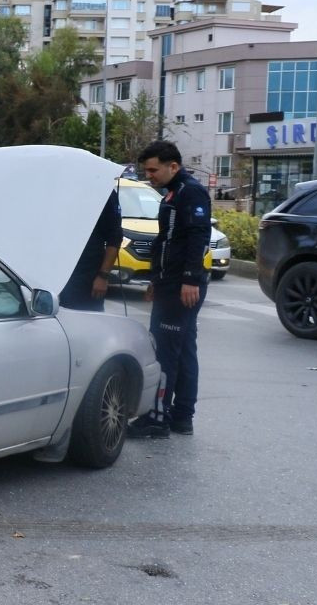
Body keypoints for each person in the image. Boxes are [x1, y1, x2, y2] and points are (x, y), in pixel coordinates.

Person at [127, 141, 211, 439]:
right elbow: (165, 241)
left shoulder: (191, 192)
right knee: (184, 349)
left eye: (153, 169)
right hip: (169, 283)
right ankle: (182, 417)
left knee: (164, 351)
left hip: (180, 286)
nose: (149, 175)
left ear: (172, 166)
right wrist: (154, 279)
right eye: (146, 170)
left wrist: (190, 279)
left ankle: (157, 418)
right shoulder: (173, 194)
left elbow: (198, 235)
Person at [59, 190, 122, 312]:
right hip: (53, 270)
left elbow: (114, 238)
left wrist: (103, 276)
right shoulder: (58, 185)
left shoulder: (103, 189)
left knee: (84, 322)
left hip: (85, 275)